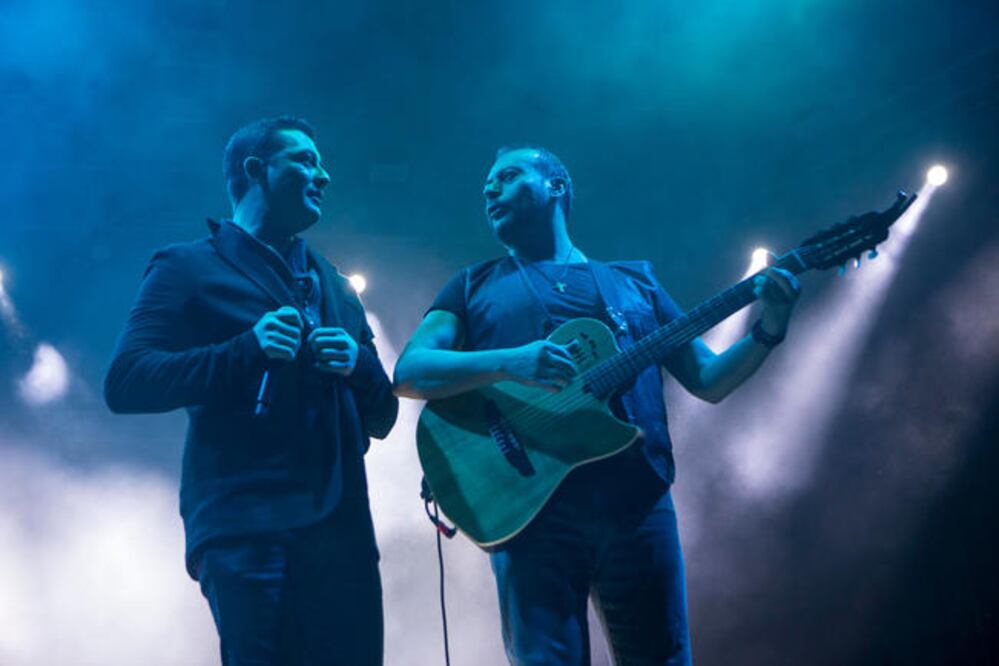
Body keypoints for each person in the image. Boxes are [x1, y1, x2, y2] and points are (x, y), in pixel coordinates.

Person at [393, 145, 801, 665]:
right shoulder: (473, 285)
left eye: (508, 176)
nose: (489, 190)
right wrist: (509, 361)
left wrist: (770, 327)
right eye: (485, 186)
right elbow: (409, 371)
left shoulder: (634, 283)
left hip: (637, 502)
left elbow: (708, 379)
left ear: (556, 185)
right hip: (530, 511)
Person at [105, 116, 398, 665]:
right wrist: (244, 350)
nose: (325, 175)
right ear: (255, 170)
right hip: (245, 523)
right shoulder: (188, 267)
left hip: (342, 532)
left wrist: (358, 365)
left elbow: (381, 418)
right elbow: (126, 381)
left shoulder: (335, 285)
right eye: (306, 160)